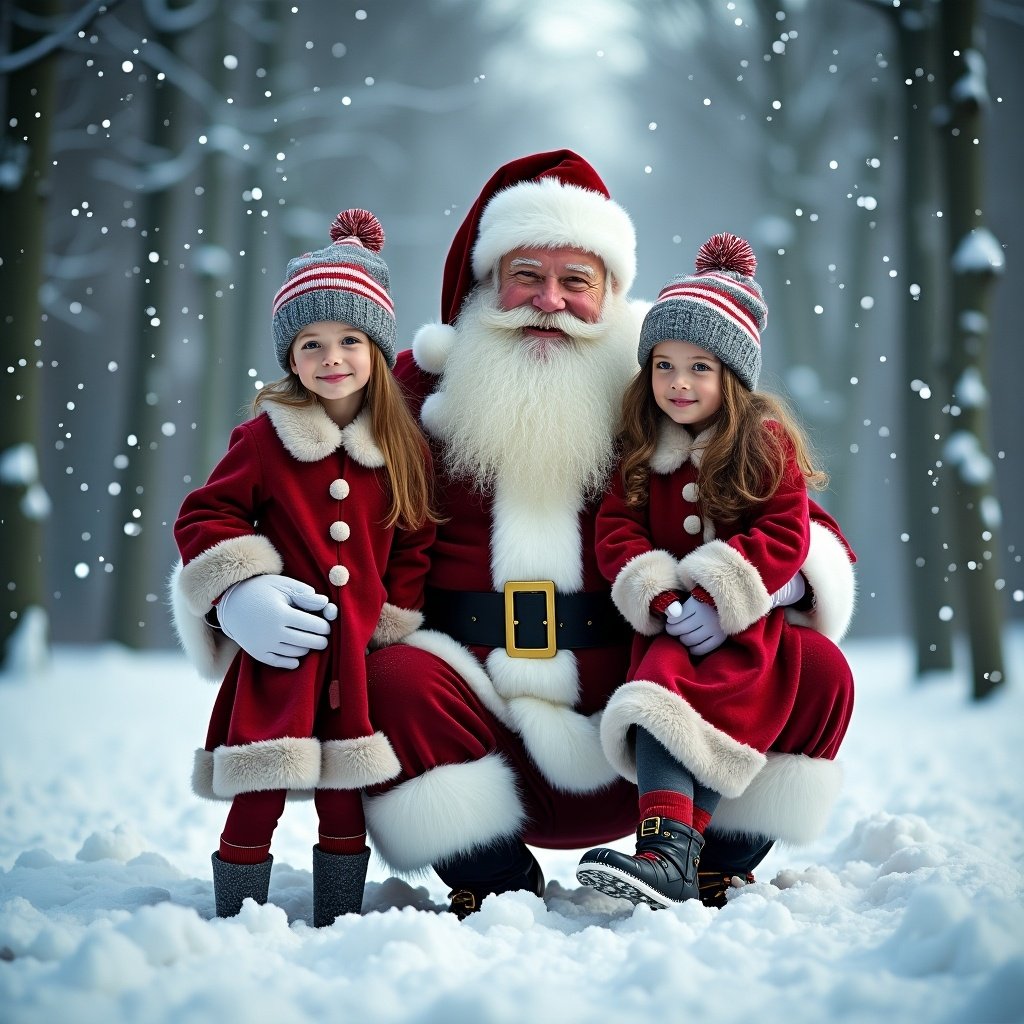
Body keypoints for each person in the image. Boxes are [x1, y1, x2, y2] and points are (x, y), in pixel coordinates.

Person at [172, 151, 857, 917]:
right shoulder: (407, 394)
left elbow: (795, 514)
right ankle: (489, 878)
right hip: (474, 725)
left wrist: (778, 581)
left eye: (577, 281)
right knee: (391, 680)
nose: (550, 302)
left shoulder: (665, 395)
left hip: (648, 727)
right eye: (526, 274)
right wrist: (238, 589)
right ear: (483, 283)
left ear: (612, 292)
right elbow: (267, 483)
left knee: (815, 668)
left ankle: (707, 864)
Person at [171, 209, 436, 925]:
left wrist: (391, 619)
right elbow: (205, 516)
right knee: (262, 778)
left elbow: (414, 540)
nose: (331, 358)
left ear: (376, 350)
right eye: (311, 343)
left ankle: (338, 916)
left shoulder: (401, 447)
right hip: (284, 651)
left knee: (343, 791)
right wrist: (242, 587)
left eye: (350, 340)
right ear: (290, 356)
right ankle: (237, 911)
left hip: (355, 652)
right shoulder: (264, 439)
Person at [575, 233, 854, 908]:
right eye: (664, 366)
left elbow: (787, 529)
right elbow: (617, 529)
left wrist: (723, 594)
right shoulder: (640, 449)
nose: (678, 383)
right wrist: (665, 598)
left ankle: (710, 858)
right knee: (657, 695)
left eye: (699, 367)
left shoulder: (763, 444)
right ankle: (666, 848)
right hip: (673, 631)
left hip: (751, 633)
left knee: (750, 701)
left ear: (732, 376)